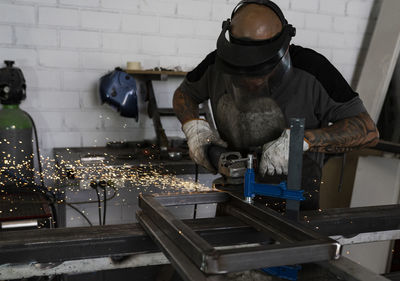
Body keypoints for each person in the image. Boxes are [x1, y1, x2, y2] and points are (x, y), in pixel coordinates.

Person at [172, 0, 379, 210]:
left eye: (260, 70)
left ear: (284, 48)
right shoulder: (216, 63)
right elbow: (184, 94)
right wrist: (194, 128)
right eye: (241, 71)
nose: (250, 81)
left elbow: (368, 130)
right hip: (233, 204)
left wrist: (303, 141)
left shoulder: (314, 69)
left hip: (296, 208)